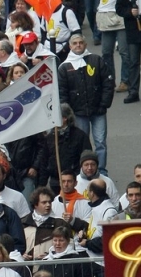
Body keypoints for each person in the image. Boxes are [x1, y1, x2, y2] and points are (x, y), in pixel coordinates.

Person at [58, 34, 115, 175]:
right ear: (70, 46)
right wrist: (69, 113)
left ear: (85, 44)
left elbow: (108, 83)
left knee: (100, 142)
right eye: (75, 43)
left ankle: (101, 171)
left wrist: (104, 104)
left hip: (98, 110)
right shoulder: (64, 67)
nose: (78, 45)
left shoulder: (96, 60)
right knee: (82, 144)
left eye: (80, 42)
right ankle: (85, 172)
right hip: (78, 113)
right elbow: (62, 92)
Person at [38, 104, 93, 192]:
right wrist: (41, 185)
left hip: (74, 181)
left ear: (65, 118)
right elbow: (44, 161)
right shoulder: (50, 138)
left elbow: (86, 158)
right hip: (55, 182)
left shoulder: (80, 136)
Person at [22, 187, 71, 260]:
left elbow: (70, 247)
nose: (48, 205)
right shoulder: (23, 223)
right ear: (35, 204)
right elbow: (16, 246)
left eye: (49, 202)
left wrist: (51, 256)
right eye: (44, 202)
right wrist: (21, 254)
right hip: (27, 265)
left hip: (52, 265)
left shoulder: (60, 223)